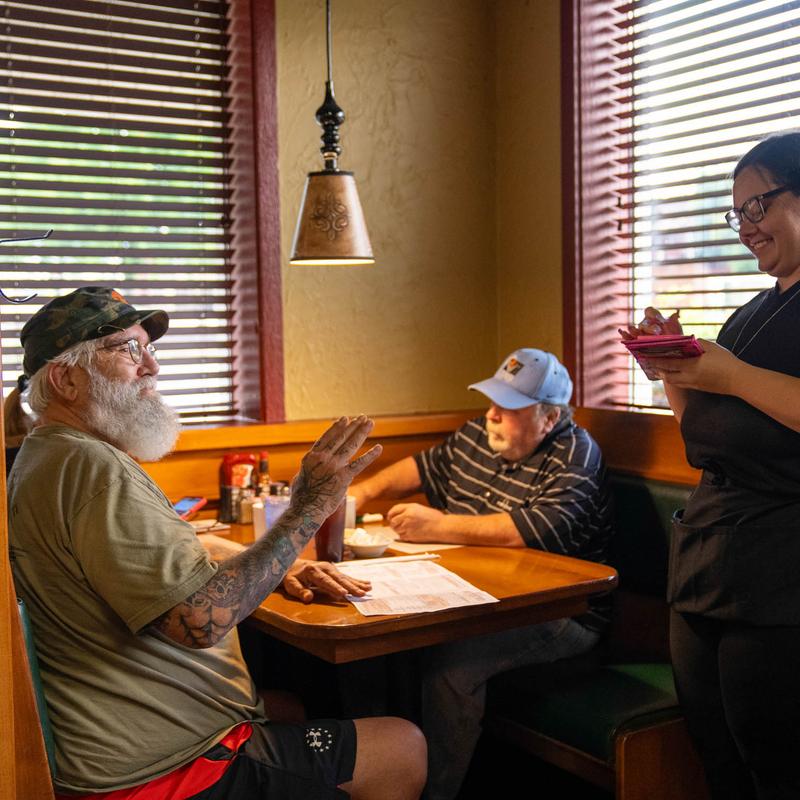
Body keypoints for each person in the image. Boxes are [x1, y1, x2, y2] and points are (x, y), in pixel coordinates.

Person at [8, 287, 426, 800]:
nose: (152, 367)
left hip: (115, 734)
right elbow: (199, 622)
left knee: (295, 704)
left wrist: (277, 564)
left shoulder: (45, 457)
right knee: (403, 746)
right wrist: (309, 510)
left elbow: (149, 560)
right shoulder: (93, 469)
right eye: (128, 349)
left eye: (149, 348)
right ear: (65, 379)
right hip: (164, 767)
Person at [621, 132, 800, 799]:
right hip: (707, 558)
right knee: (716, 757)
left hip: (780, 571)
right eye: (737, 213)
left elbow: (743, 391)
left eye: (759, 205)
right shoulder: (749, 314)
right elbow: (708, 432)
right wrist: (672, 370)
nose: (746, 226)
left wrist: (731, 376)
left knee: (775, 761)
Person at [351, 348, 613, 800]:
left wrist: (439, 526)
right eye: (492, 401)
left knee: (451, 665)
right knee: (371, 644)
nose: (492, 414)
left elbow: (532, 529)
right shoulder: (479, 434)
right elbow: (423, 466)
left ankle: (436, 793)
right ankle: (381, 781)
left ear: (549, 418)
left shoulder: (576, 453)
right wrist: (361, 491)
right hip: (475, 597)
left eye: (508, 407)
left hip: (561, 616)